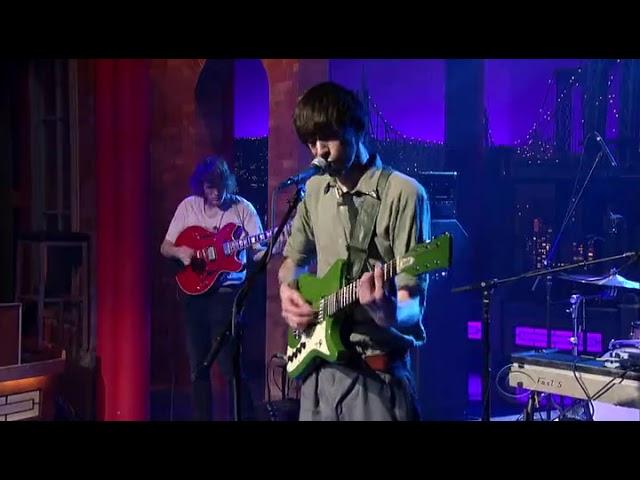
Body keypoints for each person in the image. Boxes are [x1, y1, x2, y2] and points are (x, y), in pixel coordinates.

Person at [278, 81, 431, 421]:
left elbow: (413, 306)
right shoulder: (314, 191)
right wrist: (288, 291)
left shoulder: (403, 194)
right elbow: (293, 262)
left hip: (375, 378)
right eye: (310, 142)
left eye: (328, 137)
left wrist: (388, 312)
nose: (319, 151)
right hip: (319, 374)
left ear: (357, 129)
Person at [161, 155, 269, 421]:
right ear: (202, 186)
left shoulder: (242, 209)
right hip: (193, 294)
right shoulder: (188, 207)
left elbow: (257, 252)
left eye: (219, 187)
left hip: (227, 293)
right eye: (209, 187)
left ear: (227, 184)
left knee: (228, 363)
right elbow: (165, 247)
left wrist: (273, 248)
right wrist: (181, 252)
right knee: (198, 364)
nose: (215, 193)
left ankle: (243, 417)